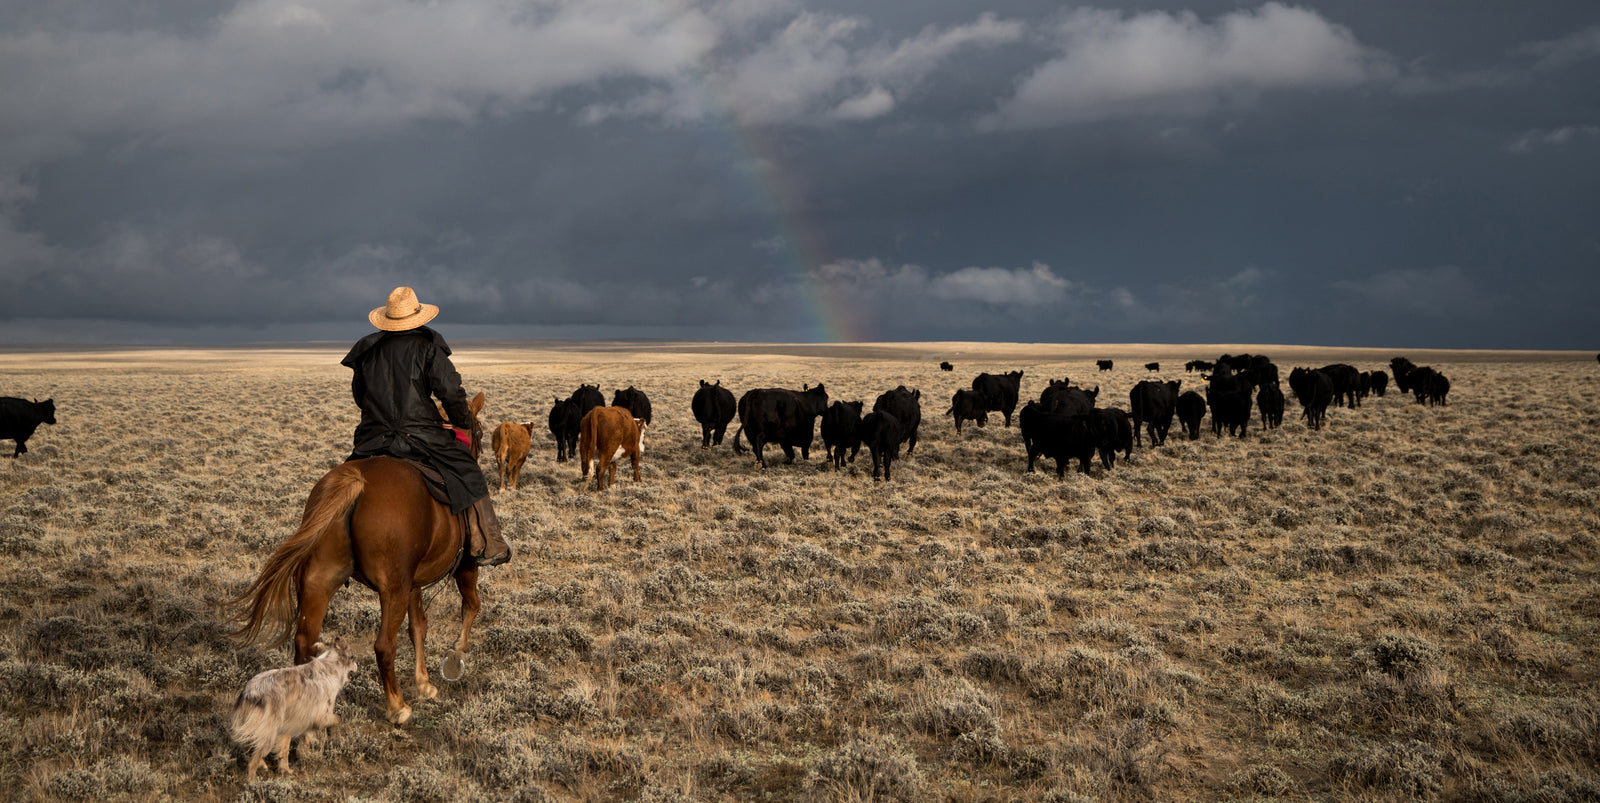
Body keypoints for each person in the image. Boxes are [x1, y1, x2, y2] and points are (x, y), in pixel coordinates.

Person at [341, 286, 511, 567]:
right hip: (420, 437)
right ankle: (491, 543)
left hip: (372, 439)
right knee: (467, 469)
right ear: (417, 316)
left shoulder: (368, 351)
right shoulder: (427, 347)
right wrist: (461, 420)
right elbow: (452, 392)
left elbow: (361, 397)